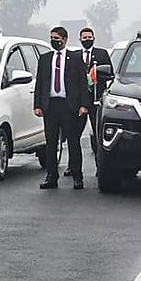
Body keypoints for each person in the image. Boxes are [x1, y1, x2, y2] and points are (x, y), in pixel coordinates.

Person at [34, 26, 91, 190]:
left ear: (65, 39)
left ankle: (77, 176)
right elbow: (40, 83)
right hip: (50, 106)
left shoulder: (75, 58)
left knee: (73, 142)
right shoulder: (45, 59)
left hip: (69, 106)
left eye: (57, 38)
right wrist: (37, 105)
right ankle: (51, 176)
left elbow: (82, 83)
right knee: (51, 143)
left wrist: (83, 105)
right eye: (52, 37)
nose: (54, 41)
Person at [64, 27, 112, 177]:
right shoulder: (74, 56)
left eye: (89, 37)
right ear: (79, 40)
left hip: (96, 100)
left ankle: (101, 167)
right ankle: (72, 166)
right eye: (84, 38)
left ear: (94, 38)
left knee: (98, 136)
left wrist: (96, 75)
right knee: (73, 135)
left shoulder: (102, 54)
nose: (86, 40)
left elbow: (110, 74)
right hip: (78, 102)